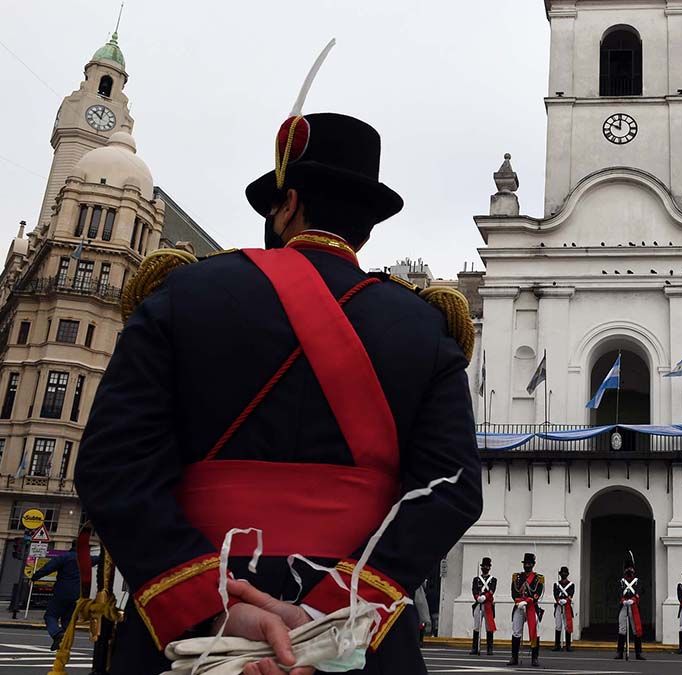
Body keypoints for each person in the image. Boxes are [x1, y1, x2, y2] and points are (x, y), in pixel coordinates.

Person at [74, 106, 483, 674]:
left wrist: (212, 607)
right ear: (367, 226)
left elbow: (110, 465)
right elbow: (452, 489)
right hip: (359, 645)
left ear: (288, 204)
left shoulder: (183, 294)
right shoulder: (425, 327)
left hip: (188, 634)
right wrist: (326, 621)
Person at [30, 554, 91, 652]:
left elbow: (48, 568)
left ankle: (57, 634)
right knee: (68, 620)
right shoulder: (86, 559)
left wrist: (35, 577)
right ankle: (64, 643)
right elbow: (100, 560)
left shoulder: (64, 558)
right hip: (77, 594)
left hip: (61, 592)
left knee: (50, 616)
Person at [508, 553, 544, 667]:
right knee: (516, 632)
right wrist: (518, 602)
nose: (527, 565)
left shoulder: (539, 578)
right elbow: (514, 592)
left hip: (532, 607)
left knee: (534, 631)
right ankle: (514, 657)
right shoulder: (517, 577)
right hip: (519, 606)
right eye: (526, 563)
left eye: (529, 564)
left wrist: (527, 601)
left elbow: (538, 593)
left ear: (533, 564)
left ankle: (535, 658)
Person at [615, 555, 646, 660]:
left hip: (634, 607)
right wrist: (623, 600)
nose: (629, 570)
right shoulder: (621, 582)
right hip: (624, 606)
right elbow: (619, 592)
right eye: (627, 568)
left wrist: (633, 599)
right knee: (622, 629)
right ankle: (619, 652)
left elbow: (640, 591)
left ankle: (638, 653)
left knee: (636, 630)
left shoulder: (637, 581)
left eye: (631, 568)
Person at [470, 557, 498, 655]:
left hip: (488, 604)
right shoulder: (476, 579)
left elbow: (492, 590)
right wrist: (477, 597)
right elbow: (474, 590)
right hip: (478, 604)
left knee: (489, 627)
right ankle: (475, 647)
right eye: (484, 566)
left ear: (489, 567)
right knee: (476, 626)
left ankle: (489, 648)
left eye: (487, 566)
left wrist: (485, 597)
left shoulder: (493, 580)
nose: (485, 568)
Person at [552, 566, 575, 652]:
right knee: (558, 625)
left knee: (567, 625)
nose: (563, 574)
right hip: (559, 606)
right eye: (562, 573)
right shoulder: (556, 584)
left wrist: (566, 600)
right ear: (560, 574)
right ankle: (557, 645)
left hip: (567, 606)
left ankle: (568, 645)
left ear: (567, 574)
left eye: (565, 573)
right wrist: (558, 600)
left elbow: (571, 594)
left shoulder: (571, 584)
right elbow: (555, 594)